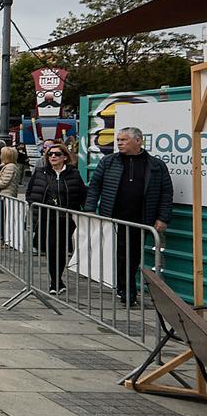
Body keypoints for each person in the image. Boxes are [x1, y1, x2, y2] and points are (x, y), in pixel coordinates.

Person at [84, 126, 173, 306]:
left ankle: (125, 288)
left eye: (123, 140)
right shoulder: (109, 162)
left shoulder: (155, 165)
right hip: (114, 218)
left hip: (142, 219)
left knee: (133, 256)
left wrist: (163, 218)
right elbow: (95, 186)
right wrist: (90, 209)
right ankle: (127, 291)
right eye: (118, 140)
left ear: (138, 141)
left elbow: (166, 192)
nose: (119, 143)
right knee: (121, 254)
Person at [26, 142, 86, 294]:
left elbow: (81, 194)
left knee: (60, 250)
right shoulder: (40, 172)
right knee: (52, 249)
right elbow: (30, 193)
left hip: (65, 219)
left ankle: (56, 280)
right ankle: (55, 281)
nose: (53, 156)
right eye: (50, 154)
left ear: (65, 157)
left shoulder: (74, 173)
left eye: (57, 154)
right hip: (46, 218)